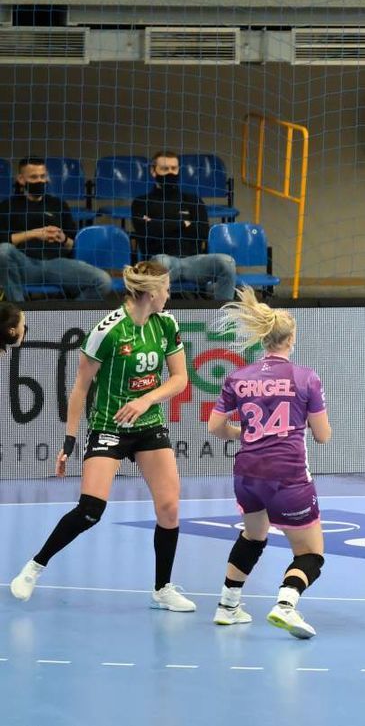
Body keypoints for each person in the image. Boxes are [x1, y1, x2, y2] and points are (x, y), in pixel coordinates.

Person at [9, 261, 195, 611]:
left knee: (169, 509)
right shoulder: (107, 331)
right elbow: (79, 389)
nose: (169, 295)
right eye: (167, 289)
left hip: (148, 423)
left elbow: (180, 379)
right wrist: (69, 441)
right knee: (90, 510)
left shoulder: (166, 324)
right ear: (152, 293)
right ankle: (34, 567)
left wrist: (146, 400)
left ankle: (162, 588)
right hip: (109, 426)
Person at [207, 288, 331, 639]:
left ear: (264, 338)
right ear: (291, 339)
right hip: (287, 475)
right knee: (311, 552)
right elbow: (322, 436)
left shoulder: (239, 377)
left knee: (254, 535)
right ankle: (286, 605)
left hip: (247, 473)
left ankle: (228, 606)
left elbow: (215, 427)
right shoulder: (306, 377)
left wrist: (242, 433)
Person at [0, 156, 112, 301]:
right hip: (25, 265)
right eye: (34, 177)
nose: (40, 181)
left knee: (103, 281)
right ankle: (20, 313)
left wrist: (63, 238)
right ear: (21, 179)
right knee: (3, 250)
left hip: (56, 263)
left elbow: (73, 245)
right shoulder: (7, 206)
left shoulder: (58, 205)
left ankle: (68, 318)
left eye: (43, 176)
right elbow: (3, 242)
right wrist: (33, 234)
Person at [131, 151, 237, 300]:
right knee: (162, 261)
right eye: (165, 169)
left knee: (227, 262)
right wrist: (184, 222)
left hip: (193, 261)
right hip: (161, 261)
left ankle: (222, 317)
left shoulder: (193, 200)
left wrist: (159, 222)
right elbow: (147, 232)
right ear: (153, 171)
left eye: (174, 169)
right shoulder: (141, 202)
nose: (170, 173)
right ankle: (159, 316)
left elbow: (202, 232)